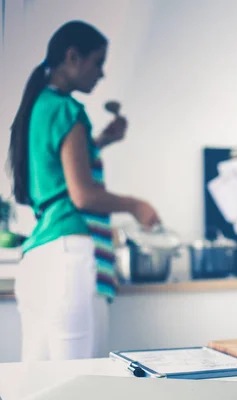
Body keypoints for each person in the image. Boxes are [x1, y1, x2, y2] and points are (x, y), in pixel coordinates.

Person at [8, 20, 160, 361]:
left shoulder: (38, 106)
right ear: (72, 57)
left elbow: (58, 177)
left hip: (37, 260)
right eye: (98, 63)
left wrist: (102, 141)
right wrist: (136, 205)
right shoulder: (68, 109)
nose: (101, 74)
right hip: (68, 258)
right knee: (83, 381)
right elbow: (82, 195)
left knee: (37, 382)